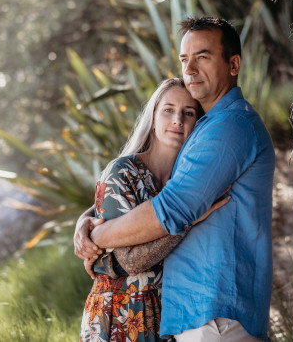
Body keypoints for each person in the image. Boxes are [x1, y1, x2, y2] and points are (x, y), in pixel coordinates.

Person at [76, 17, 275, 341]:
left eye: (203, 57)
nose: (190, 69)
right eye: (185, 59)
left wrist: (96, 236)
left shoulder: (230, 127)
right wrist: (86, 220)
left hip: (215, 315)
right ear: (153, 117)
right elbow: (145, 195)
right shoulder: (209, 128)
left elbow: (170, 209)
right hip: (192, 317)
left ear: (234, 64)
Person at [79, 78, 227, 342]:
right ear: (154, 117)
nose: (178, 120)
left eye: (188, 113)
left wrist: (83, 221)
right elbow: (131, 261)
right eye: (168, 110)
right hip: (120, 314)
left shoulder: (188, 181)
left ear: (198, 123)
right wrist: (187, 222)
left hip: (169, 313)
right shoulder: (123, 172)